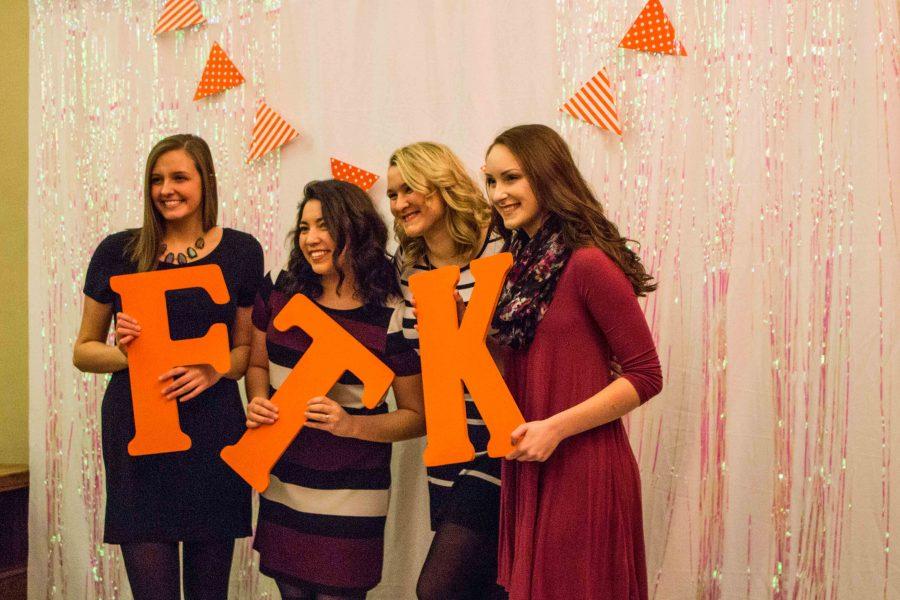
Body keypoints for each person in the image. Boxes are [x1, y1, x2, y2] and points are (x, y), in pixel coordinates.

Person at [73, 133, 263, 600]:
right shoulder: (118, 251)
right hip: (139, 432)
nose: (166, 189)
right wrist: (132, 354)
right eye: (157, 179)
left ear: (206, 183)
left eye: (180, 177)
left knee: (208, 593)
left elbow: (244, 353)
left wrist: (213, 370)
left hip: (213, 431)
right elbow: (83, 350)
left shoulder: (241, 251)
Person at [482, 124, 663, 600]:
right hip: (531, 462)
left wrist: (555, 428)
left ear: (546, 175)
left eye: (511, 178)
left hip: (582, 468)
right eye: (491, 181)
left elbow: (646, 375)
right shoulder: (518, 269)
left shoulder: (587, 263)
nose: (499, 193)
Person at [245, 180, 426, 600]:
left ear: (356, 227)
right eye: (304, 227)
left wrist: (351, 425)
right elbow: (257, 364)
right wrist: (258, 399)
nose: (311, 238)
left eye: (324, 225)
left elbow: (418, 415)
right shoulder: (280, 289)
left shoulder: (391, 312)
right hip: (285, 483)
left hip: (353, 492)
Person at [387, 142, 507, 599]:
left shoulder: (501, 245)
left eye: (409, 189)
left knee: (436, 588)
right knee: (481, 587)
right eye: (393, 194)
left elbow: (531, 343)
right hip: (448, 442)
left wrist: (467, 330)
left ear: (441, 183)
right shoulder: (407, 265)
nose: (399, 204)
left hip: (501, 443)